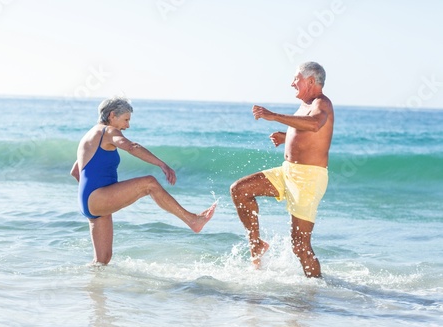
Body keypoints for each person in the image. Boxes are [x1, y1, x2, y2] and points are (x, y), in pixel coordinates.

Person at [70, 97, 217, 265]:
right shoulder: (108, 132)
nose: (127, 125)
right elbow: (131, 146)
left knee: (102, 261)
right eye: (125, 119)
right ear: (112, 115)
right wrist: (162, 164)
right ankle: (193, 220)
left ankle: (92, 290)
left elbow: (75, 172)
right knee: (149, 183)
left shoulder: (89, 136)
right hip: (97, 198)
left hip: (88, 201)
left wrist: (94, 197)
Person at [230, 62, 334, 278]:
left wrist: (274, 115)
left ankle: (316, 290)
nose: (292, 83)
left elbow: (315, 125)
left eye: (296, 78)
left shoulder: (322, 103)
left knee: (300, 245)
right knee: (240, 190)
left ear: (311, 81)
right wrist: (286, 138)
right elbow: (311, 137)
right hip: (287, 172)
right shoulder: (306, 103)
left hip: (308, 178)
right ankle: (256, 244)